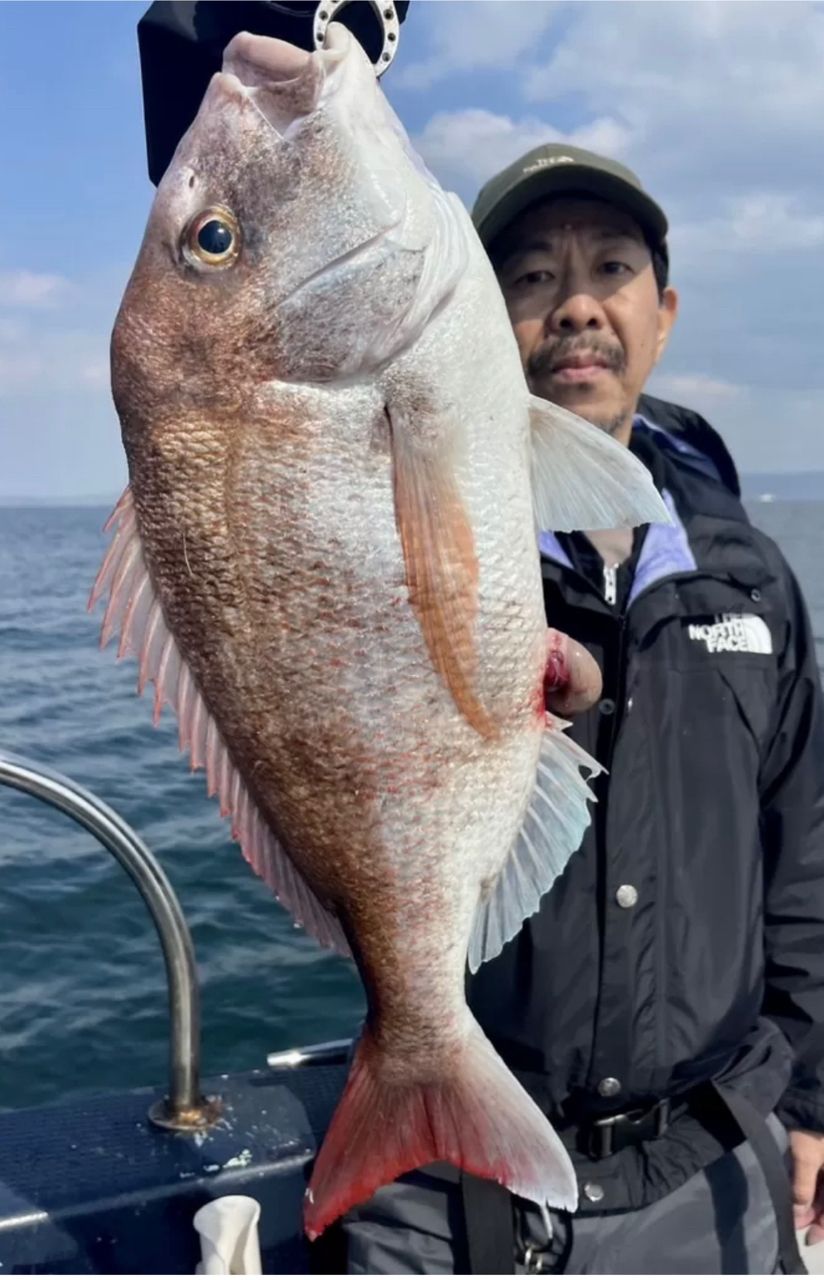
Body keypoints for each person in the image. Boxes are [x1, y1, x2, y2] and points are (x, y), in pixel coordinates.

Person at [340, 144, 824, 1275]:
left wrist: (808, 1096)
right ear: (473, 319)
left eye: (608, 269)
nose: (574, 309)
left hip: (712, 1165)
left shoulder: (750, 577)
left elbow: (802, 853)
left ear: (661, 313)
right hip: (456, 1179)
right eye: (527, 281)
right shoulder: (413, 551)